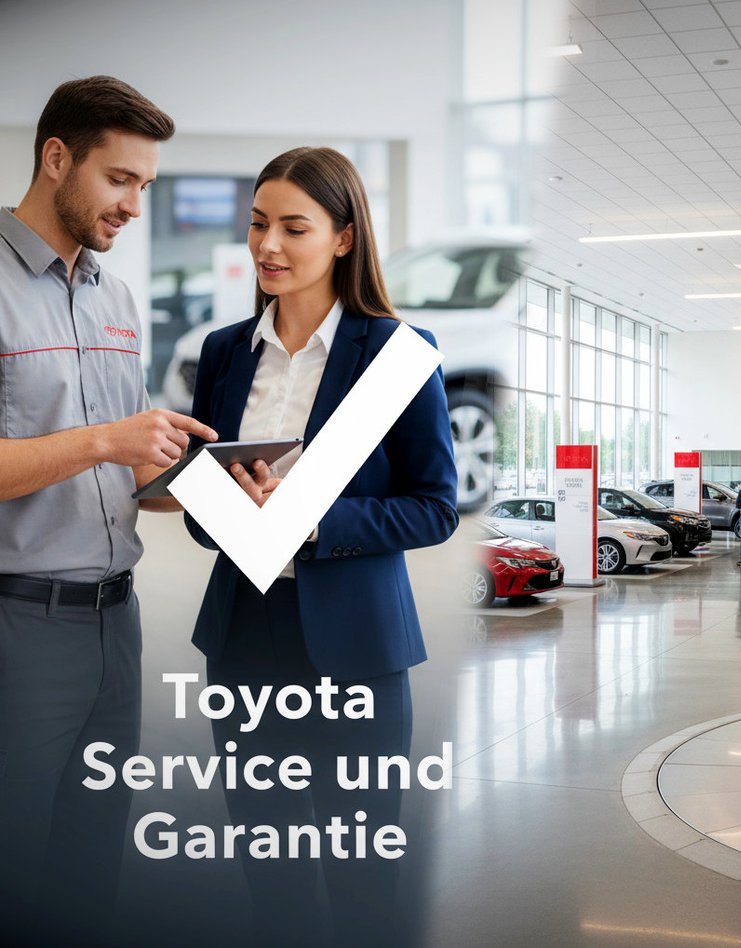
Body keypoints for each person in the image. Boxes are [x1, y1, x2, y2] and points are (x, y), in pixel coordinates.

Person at [184, 146, 457, 944]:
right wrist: (223, 502)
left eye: (293, 228)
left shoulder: (396, 352)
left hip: (358, 649)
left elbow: (434, 509)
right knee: (268, 870)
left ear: (343, 237)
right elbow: (200, 519)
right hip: (244, 641)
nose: (267, 245)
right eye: (257, 224)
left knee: (362, 872)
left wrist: (310, 522)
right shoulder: (224, 352)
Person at [0, 76, 205, 939]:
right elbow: (101, 444)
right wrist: (104, 441)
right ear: (57, 158)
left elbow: (126, 469)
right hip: (18, 628)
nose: (133, 206)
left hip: (116, 625)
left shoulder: (115, 298)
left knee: (91, 865)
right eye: (119, 179)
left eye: (145, 186)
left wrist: (201, 480)